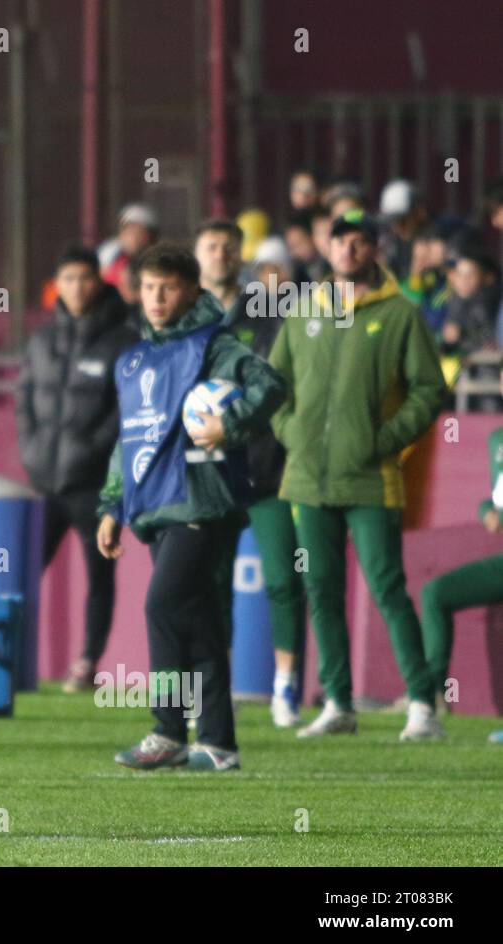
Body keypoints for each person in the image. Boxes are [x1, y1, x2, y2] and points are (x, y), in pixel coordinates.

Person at [97, 243, 286, 772]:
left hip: (203, 500)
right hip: (155, 507)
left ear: (192, 291)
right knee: (197, 621)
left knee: (161, 607)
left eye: (169, 287)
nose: (157, 297)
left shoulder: (213, 344)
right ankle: (219, 744)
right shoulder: (134, 360)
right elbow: (128, 439)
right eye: (149, 287)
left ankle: (167, 730)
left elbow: (270, 385)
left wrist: (233, 422)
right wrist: (112, 506)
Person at [269, 209, 447, 741]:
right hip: (307, 478)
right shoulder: (303, 309)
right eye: (339, 240)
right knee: (320, 591)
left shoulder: (400, 314)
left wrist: (385, 440)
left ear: (374, 249)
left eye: (359, 242)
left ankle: (422, 705)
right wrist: (291, 433)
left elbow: (430, 389)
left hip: (372, 479)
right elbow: (274, 382)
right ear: (327, 248)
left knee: (387, 587)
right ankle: (339, 703)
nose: (348, 250)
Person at [16, 246, 136, 692]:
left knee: (99, 574)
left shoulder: (122, 340)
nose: (77, 287)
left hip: (94, 485)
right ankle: (12, 659)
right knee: (22, 573)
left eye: (85, 279)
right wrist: (29, 449)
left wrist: (91, 449)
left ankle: (87, 662)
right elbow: (23, 399)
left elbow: (126, 411)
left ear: (99, 283)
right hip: (45, 481)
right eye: (68, 279)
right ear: (57, 286)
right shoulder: (42, 339)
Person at [225, 237, 308, 728]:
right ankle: (213, 684)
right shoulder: (232, 322)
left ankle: (284, 686)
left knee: (283, 580)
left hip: (277, 472)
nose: (269, 278)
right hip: (226, 468)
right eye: (263, 269)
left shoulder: (303, 321)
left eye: (279, 269)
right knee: (209, 585)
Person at [418, 371, 503, 739]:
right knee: (436, 593)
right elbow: (496, 497)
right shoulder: (498, 439)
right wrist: (488, 507)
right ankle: (431, 693)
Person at [98, 203, 158, 295]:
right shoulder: (108, 253)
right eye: (130, 231)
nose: (134, 238)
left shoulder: (158, 259)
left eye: (140, 232)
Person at [194, 219, 244, 314]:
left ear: (241, 256)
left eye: (229, 248)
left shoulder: (265, 312)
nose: (220, 256)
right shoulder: (179, 311)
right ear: (196, 256)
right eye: (211, 248)